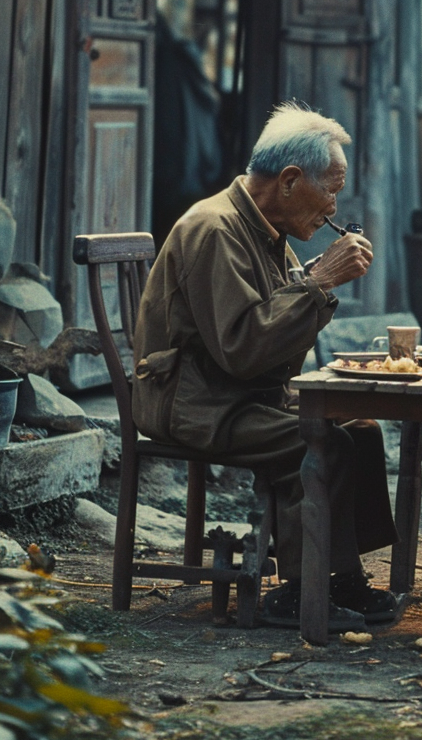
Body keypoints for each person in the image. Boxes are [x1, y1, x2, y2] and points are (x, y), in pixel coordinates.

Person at [133, 102, 398, 630]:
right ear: (290, 180)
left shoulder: (265, 230)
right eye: (331, 189)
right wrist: (319, 283)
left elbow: (271, 336)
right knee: (319, 443)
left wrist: (313, 285)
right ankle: (298, 591)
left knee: (361, 430)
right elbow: (244, 349)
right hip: (195, 401)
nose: (333, 207)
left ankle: (340, 576)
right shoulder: (215, 229)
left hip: (238, 392)